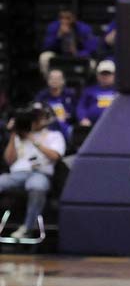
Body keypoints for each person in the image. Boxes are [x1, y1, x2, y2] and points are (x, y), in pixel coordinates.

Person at [0, 103, 65, 238]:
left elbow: (55, 156)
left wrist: (32, 139)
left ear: (47, 118)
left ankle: (27, 228)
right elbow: (9, 160)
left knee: (36, 185)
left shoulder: (54, 135)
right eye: (33, 116)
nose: (35, 120)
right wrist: (13, 134)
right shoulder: (18, 136)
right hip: (17, 174)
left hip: (40, 173)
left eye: (39, 116)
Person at [38, 9, 99, 78]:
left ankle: (85, 85)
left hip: (78, 56)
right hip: (58, 55)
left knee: (92, 64)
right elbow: (46, 46)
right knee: (44, 57)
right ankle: (50, 82)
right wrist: (58, 36)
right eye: (62, 18)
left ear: (74, 18)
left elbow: (91, 49)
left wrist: (78, 53)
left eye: (67, 18)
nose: (64, 21)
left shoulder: (84, 29)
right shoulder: (53, 27)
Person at [33, 68, 77, 140]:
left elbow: (75, 111)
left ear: (63, 81)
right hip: (46, 125)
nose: (54, 81)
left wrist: (68, 116)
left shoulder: (70, 95)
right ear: (48, 81)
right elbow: (36, 110)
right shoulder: (42, 95)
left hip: (65, 125)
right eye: (52, 78)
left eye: (57, 78)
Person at [76, 59, 118, 128]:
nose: (105, 76)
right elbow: (81, 107)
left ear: (114, 75)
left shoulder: (119, 92)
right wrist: (83, 118)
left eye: (108, 74)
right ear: (97, 75)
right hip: (92, 126)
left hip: (114, 125)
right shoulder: (89, 91)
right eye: (102, 74)